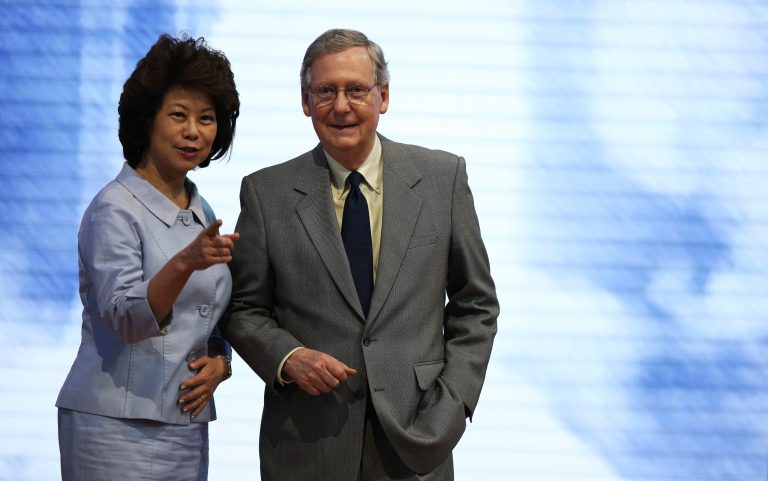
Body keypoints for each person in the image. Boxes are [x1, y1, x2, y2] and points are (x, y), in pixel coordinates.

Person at [223, 28, 499, 480]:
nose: (341, 106)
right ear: (305, 101)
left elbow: (476, 305)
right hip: (307, 447)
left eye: (356, 90)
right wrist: (289, 358)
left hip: (417, 443)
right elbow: (242, 309)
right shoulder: (265, 193)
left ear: (383, 96)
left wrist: (453, 407)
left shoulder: (442, 179)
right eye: (326, 91)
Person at [56, 33, 240, 481]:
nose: (193, 131)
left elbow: (207, 314)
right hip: (113, 427)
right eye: (178, 115)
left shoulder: (201, 210)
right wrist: (183, 264)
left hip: (185, 425)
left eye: (207, 118)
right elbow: (123, 316)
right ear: (147, 121)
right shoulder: (112, 208)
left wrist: (221, 361)